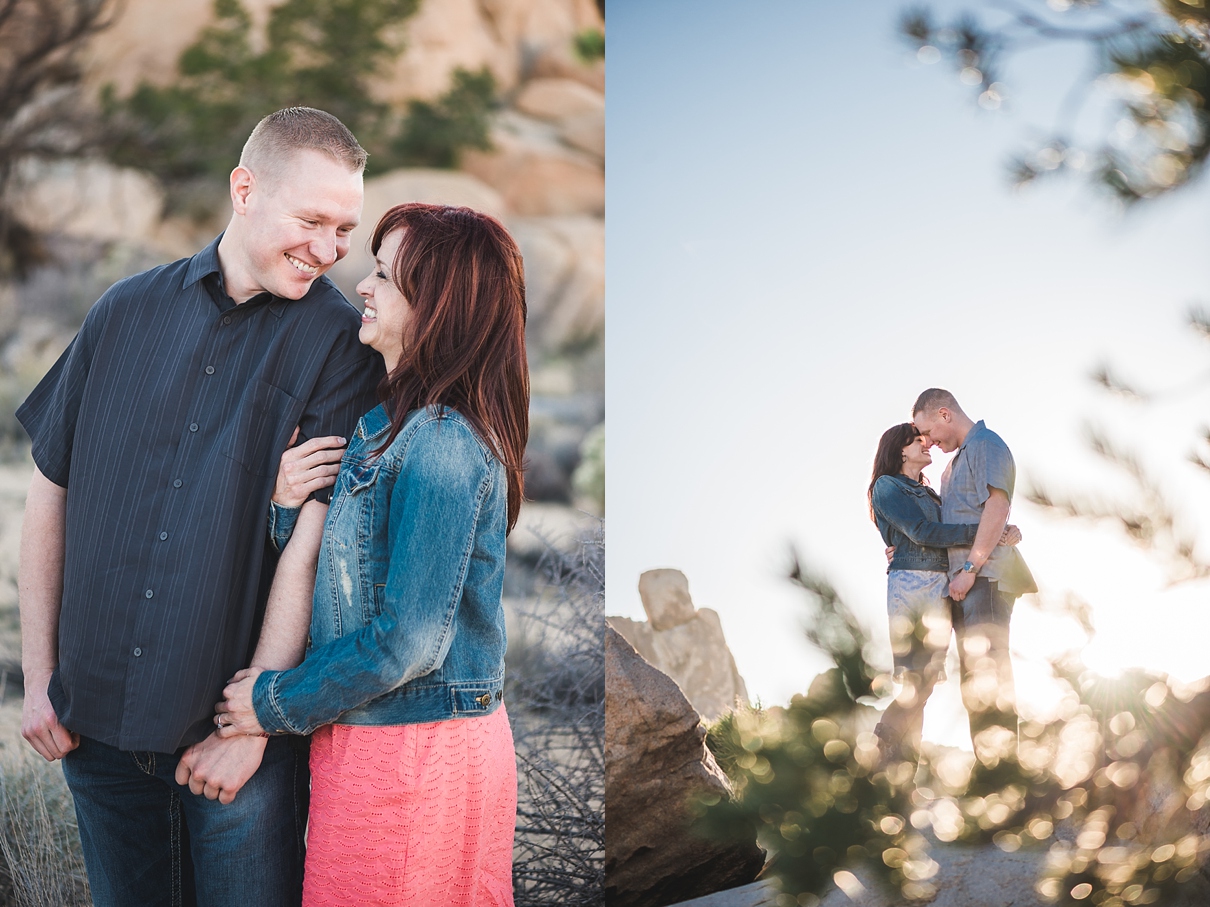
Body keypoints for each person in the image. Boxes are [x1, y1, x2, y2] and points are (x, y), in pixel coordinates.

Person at [16, 107, 384, 905]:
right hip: (95, 727)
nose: (327, 251)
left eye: (345, 230)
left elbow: (312, 543)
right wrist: (40, 676)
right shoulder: (123, 311)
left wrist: (253, 727)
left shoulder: (339, 346)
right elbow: (51, 486)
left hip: (230, 747)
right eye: (312, 220)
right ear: (244, 189)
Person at [213, 202, 528, 907]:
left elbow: (409, 640)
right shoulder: (386, 427)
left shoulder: (443, 443)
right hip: (370, 743)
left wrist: (271, 702)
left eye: (386, 276)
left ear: (439, 307)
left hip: (418, 753)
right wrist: (285, 506)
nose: (364, 285)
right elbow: (344, 584)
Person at [868, 422, 1020, 768]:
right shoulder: (887, 486)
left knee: (926, 682)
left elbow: (951, 523)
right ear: (899, 450)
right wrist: (983, 533)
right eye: (917, 441)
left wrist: (998, 528)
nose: (927, 445)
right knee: (916, 681)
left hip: (939, 586)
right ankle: (879, 747)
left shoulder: (929, 492)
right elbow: (923, 532)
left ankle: (900, 774)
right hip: (914, 586)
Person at [910, 388, 1037, 777]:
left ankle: (1005, 775)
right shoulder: (952, 467)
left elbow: (997, 506)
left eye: (927, 431)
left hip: (987, 579)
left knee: (989, 672)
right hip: (966, 584)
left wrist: (970, 569)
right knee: (974, 679)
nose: (928, 442)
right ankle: (991, 771)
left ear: (944, 414)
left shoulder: (986, 444)